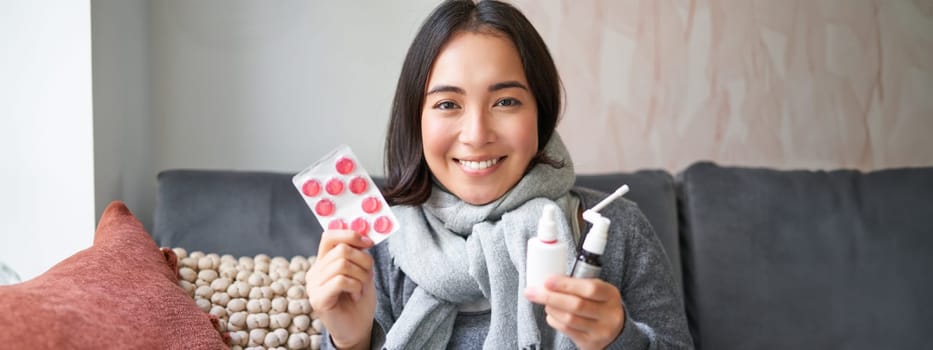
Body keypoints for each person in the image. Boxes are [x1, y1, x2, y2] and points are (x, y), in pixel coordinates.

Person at [306, 0, 692, 349]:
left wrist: (619, 339)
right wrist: (349, 340)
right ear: (415, 120)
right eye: (447, 104)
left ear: (540, 113)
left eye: (505, 101)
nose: (476, 135)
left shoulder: (617, 228)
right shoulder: (377, 247)